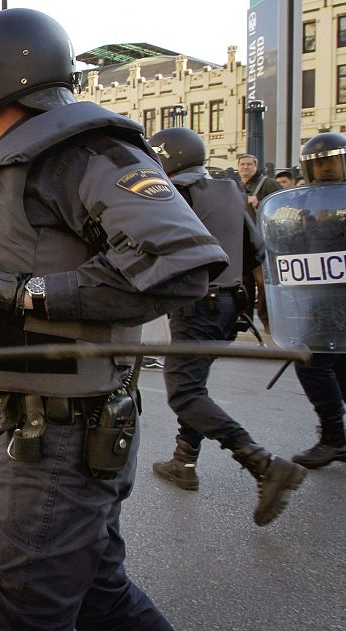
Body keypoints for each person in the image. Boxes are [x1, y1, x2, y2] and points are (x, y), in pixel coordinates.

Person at [0, 9, 231, 629]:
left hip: (66, 435)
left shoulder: (85, 152)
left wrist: (32, 293)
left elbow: (178, 260)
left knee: (23, 610)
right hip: (32, 424)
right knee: (101, 598)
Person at [148, 127, 306, 525]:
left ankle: (262, 463)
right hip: (230, 303)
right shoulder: (229, 190)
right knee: (194, 384)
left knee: (184, 392)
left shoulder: (173, 193)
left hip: (198, 304)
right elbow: (255, 250)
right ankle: (184, 461)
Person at [286, 132, 346, 468]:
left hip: (341, 297)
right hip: (321, 300)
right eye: (318, 163)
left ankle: (335, 438)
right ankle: (336, 437)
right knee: (327, 363)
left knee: (313, 363)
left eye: (330, 161)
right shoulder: (304, 204)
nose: (324, 168)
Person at [238, 153, 281, 333]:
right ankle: (245, 319)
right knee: (244, 284)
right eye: (242, 164)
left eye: (249, 164)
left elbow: (280, 206)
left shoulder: (268, 184)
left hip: (261, 242)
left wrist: (260, 203)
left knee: (263, 284)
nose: (245, 167)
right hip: (242, 243)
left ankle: (267, 321)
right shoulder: (236, 186)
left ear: (256, 166)